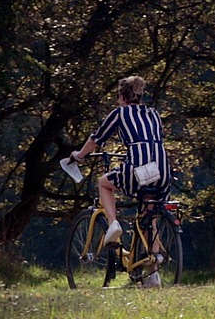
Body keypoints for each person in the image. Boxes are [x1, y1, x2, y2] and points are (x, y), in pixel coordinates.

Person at [70, 75, 172, 252]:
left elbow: (97, 138)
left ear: (121, 97)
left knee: (104, 183)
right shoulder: (153, 113)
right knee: (149, 216)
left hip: (140, 169)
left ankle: (113, 224)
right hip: (162, 172)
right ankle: (154, 267)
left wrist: (79, 155)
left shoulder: (120, 113)